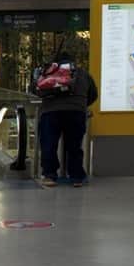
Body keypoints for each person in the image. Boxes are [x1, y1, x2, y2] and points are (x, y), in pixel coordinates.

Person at [31, 51, 98, 187]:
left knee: (49, 144)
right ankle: (76, 177)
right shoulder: (82, 73)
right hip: (76, 112)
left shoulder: (49, 71)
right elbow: (93, 94)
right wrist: (81, 105)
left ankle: (49, 176)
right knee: (74, 145)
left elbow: (35, 88)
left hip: (50, 112)